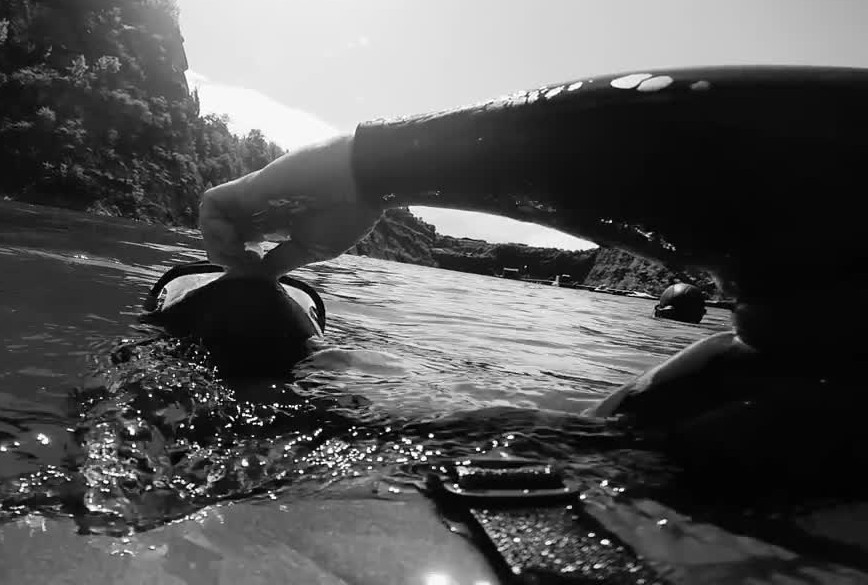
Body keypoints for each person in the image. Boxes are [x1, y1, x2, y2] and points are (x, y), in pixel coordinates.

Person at [197, 66, 868, 479]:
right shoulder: (790, 358)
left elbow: (812, 164)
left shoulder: (778, 361)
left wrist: (372, 164)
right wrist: (371, 167)